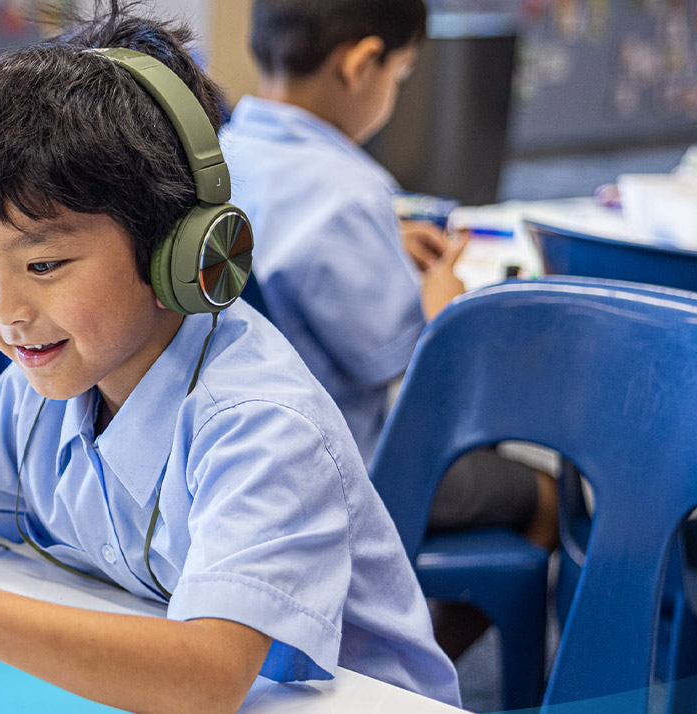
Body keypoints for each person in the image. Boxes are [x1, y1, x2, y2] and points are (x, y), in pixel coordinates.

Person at [0, 6, 460, 712]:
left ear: (179, 251)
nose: (6, 311)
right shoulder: (45, 383)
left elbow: (204, 678)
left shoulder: (260, 425)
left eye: (44, 264)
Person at [223, 0, 557, 554]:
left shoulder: (225, 153)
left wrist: (380, 244)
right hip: (341, 471)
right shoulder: (352, 190)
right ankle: (426, 644)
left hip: (242, 450)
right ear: (361, 64)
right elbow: (400, 358)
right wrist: (442, 302)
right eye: (400, 73)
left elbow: (276, 250)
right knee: (543, 493)